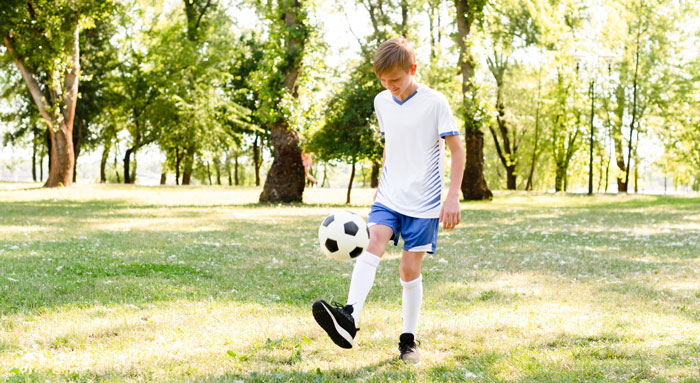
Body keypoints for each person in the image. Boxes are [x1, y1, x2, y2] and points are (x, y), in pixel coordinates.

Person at [312, 37, 465, 364]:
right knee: (373, 242)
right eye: (383, 80)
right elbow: (390, 146)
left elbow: (457, 149)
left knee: (409, 269)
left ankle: (408, 340)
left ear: (412, 69)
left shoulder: (435, 102)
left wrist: (452, 197)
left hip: (424, 203)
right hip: (389, 196)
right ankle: (349, 318)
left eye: (395, 79)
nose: (390, 86)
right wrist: (380, 187)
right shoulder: (382, 101)